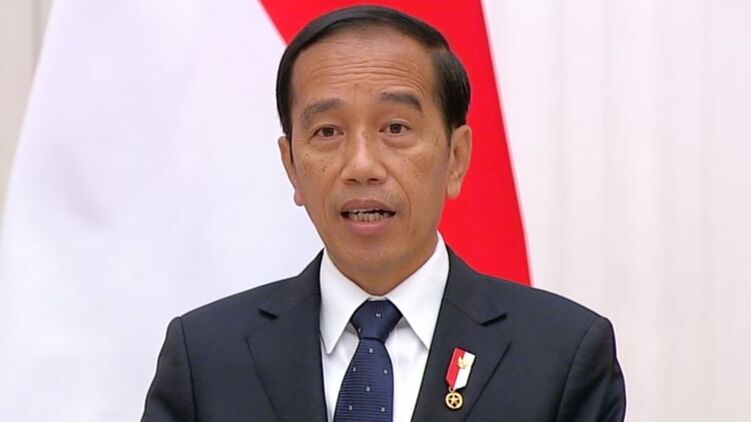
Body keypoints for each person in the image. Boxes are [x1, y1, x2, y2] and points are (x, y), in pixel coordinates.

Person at [141, 5, 625, 422]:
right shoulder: (206, 356)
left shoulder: (561, 353)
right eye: (327, 132)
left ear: (456, 158)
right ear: (291, 167)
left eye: (395, 128)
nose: (362, 166)